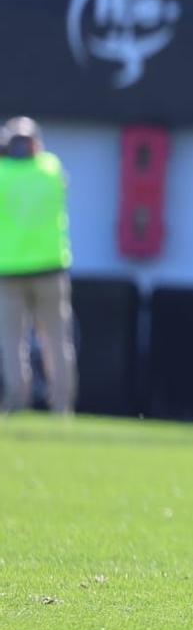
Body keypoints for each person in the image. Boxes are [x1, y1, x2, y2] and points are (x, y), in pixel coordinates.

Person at [0, 118, 76, 416]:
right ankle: (61, 406)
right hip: (50, 267)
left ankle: (18, 402)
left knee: (12, 341)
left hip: (11, 269)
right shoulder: (50, 168)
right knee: (56, 340)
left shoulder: (3, 174)